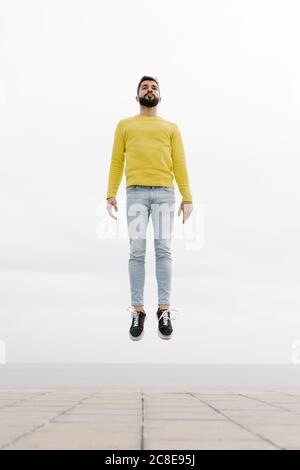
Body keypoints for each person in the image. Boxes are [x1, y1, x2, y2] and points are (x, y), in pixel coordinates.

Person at [106, 75, 193, 341]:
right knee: (137, 251)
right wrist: (111, 193)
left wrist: (186, 197)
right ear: (137, 96)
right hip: (135, 193)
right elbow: (116, 161)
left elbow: (179, 162)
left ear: (159, 96)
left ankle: (164, 310)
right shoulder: (124, 126)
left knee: (163, 249)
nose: (149, 89)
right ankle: (138, 310)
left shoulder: (171, 128)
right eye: (145, 87)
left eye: (154, 87)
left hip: (165, 194)